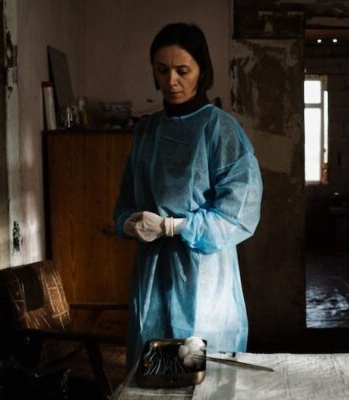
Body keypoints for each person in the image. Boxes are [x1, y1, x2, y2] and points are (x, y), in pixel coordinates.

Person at [113, 22, 262, 369]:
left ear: (202, 71)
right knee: (155, 375)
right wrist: (129, 224)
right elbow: (123, 205)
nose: (171, 81)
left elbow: (237, 215)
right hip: (151, 278)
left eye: (183, 70)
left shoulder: (220, 129)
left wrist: (171, 227)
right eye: (162, 70)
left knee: (201, 374)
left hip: (204, 278)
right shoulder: (146, 131)